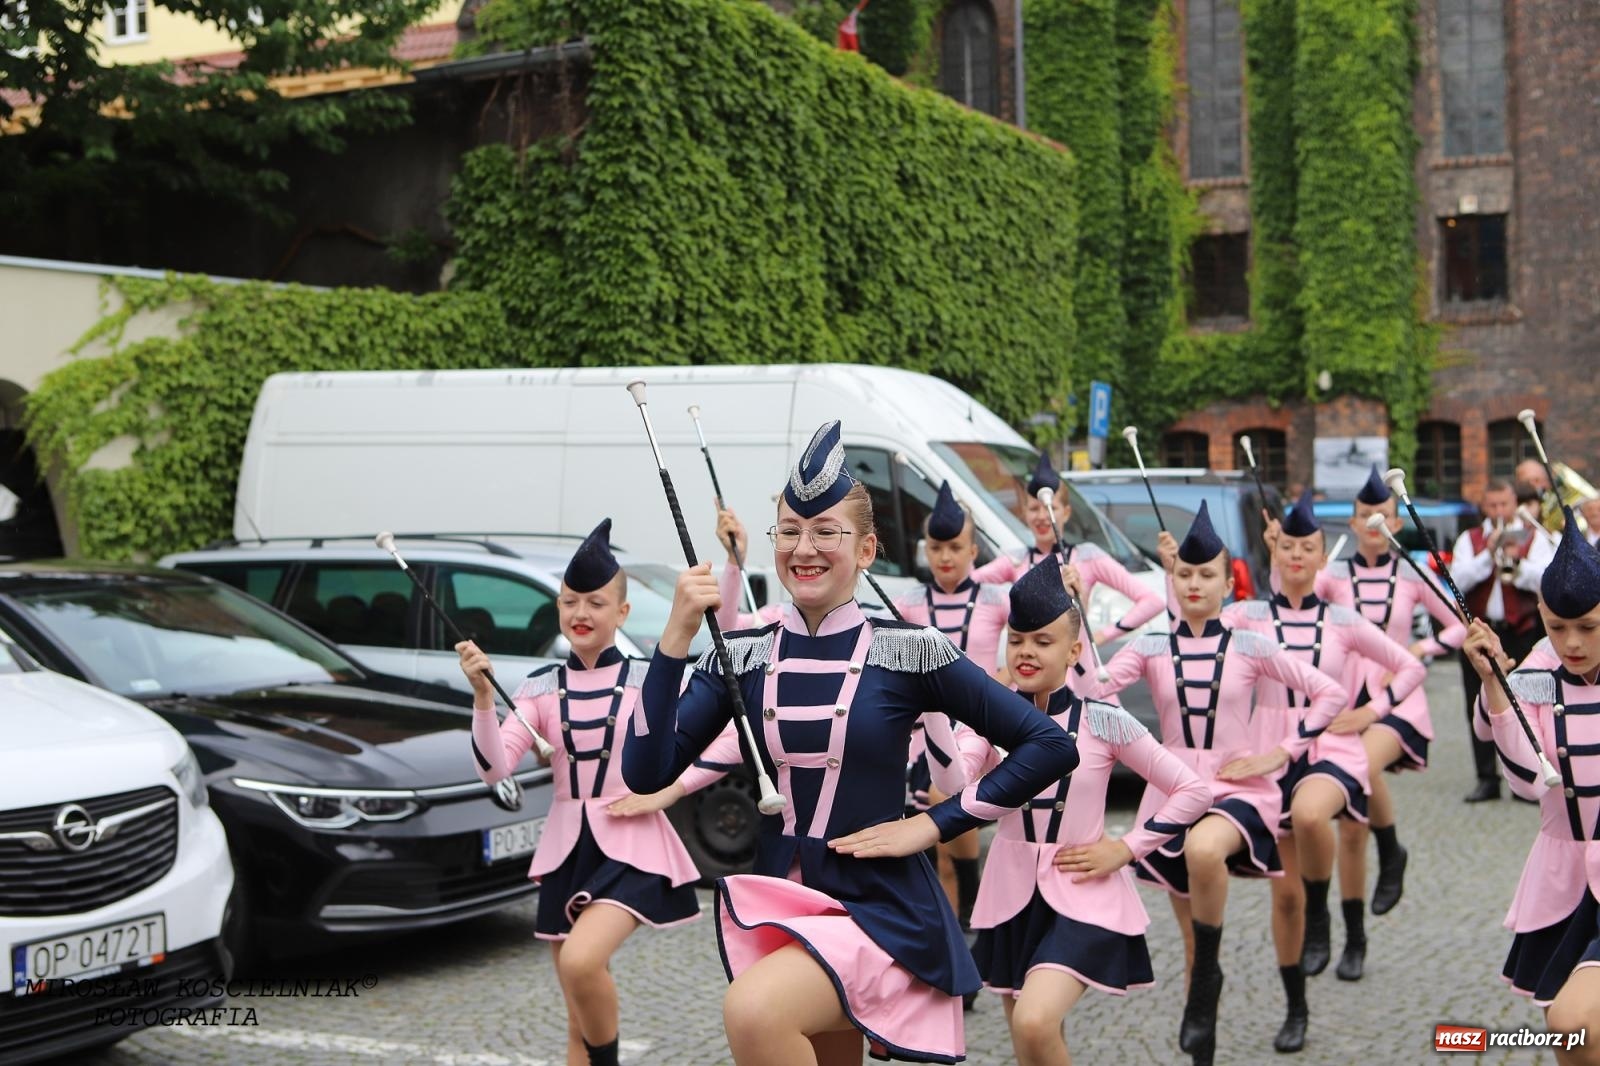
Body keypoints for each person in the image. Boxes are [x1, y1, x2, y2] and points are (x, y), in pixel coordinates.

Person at [624, 421, 1079, 1065]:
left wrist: (932, 827)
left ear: (866, 550)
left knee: (754, 1011)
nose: (803, 548)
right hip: (788, 896)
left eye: (826, 532)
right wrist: (674, 640)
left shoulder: (909, 651)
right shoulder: (745, 656)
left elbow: (1050, 745)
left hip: (881, 907)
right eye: (790, 532)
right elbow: (646, 773)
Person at [457, 518, 742, 1066]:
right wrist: (483, 699)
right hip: (567, 849)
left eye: (594, 602)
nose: (581, 614)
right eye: (569, 602)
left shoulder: (647, 681)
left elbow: (725, 696)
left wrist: (670, 789)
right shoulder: (539, 687)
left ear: (622, 612)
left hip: (633, 848)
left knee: (582, 963)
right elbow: (495, 770)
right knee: (576, 1016)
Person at [927, 561, 1209, 1066]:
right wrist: (931, 707)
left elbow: (1192, 790)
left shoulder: (1104, 722)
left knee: (1035, 1022)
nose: (1027, 653)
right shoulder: (986, 723)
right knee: (1026, 1040)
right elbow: (953, 788)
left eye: (1042, 641)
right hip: (1010, 895)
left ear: (1074, 651)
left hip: (1084, 894)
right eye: (1017, 641)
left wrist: (1126, 848)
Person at [1099, 501, 1347, 1065]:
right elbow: (1094, 684)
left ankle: (1212, 974)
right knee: (1187, 939)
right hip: (1174, 787)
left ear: (1226, 583)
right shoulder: (1152, 645)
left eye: (1205, 574)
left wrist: (1280, 753)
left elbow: (1328, 692)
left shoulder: (1250, 644)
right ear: (1172, 579)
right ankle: (1202, 1036)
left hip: (1239, 789)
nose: (1193, 583)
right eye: (1183, 574)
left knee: (1206, 850)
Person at [1225, 490, 1425, 1052]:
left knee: (1314, 815)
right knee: (1280, 898)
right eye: (1286, 546)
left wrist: (1372, 711)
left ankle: (1323, 914)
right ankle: (1296, 1008)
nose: (1295, 555)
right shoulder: (1246, 617)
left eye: (1306, 547)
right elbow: (1185, 629)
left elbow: (1409, 665)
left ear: (1321, 559)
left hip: (1330, 753)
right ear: (1275, 553)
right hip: (1268, 757)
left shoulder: (1343, 618)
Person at [1465, 509, 1600, 1066]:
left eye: (1589, 628)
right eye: (1556, 627)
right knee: (1568, 1039)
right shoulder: (1537, 684)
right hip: (1561, 877)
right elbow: (1524, 782)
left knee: (1573, 1022)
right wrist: (1497, 686)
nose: (1571, 642)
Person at [1320, 467, 1467, 918]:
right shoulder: (1335, 576)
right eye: (1364, 515)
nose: (1373, 523)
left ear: (1397, 523)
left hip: (1401, 698)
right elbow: (1285, 599)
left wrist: (1419, 648)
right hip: (1348, 698)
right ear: (1352, 522)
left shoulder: (1412, 572)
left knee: (1360, 765)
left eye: (1381, 515)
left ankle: (1390, 848)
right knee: (1348, 825)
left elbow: (1460, 626)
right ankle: (1354, 935)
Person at [893, 481, 1009, 935]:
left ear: (974, 549)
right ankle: (952, 937)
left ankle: (970, 905)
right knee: (930, 841)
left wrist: (999, 683)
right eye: (937, 547)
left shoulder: (998, 599)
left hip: (978, 733)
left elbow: (1032, 648)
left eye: (955, 547)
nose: (945, 557)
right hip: (923, 737)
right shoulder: (908, 603)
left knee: (947, 810)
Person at [970, 453, 1165, 650]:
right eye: (1034, 509)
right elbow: (965, 583)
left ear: (1067, 512)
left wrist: (1098, 637)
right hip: (1033, 672)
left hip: (1075, 671)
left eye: (1051, 508)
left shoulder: (1087, 556)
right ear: (1024, 513)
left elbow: (1153, 601)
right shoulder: (1015, 560)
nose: (1042, 516)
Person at [1451, 479, 1557, 802]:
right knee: (1478, 702)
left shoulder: (1534, 537)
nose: (1499, 511)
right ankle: (1486, 778)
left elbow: (1545, 578)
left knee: (1525, 704)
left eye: (1504, 505)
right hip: (1482, 632)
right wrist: (1489, 555)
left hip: (1522, 630)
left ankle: (1528, 773)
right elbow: (1457, 579)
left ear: (1514, 505)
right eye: (1492, 505)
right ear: (1485, 506)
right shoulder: (1470, 540)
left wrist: (1517, 561)